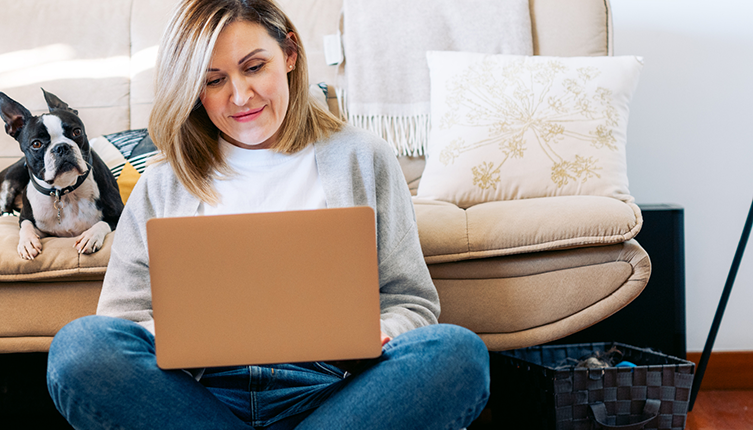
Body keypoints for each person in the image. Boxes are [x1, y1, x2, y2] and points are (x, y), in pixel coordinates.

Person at [46, 0, 490, 428]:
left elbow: (409, 301)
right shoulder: (164, 182)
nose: (240, 96)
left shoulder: (363, 157)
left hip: (334, 392)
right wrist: (178, 337)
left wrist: (382, 332)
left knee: (458, 354)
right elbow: (121, 319)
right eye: (213, 80)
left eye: (254, 66)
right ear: (194, 90)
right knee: (79, 349)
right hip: (197, 396)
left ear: (290, 54)